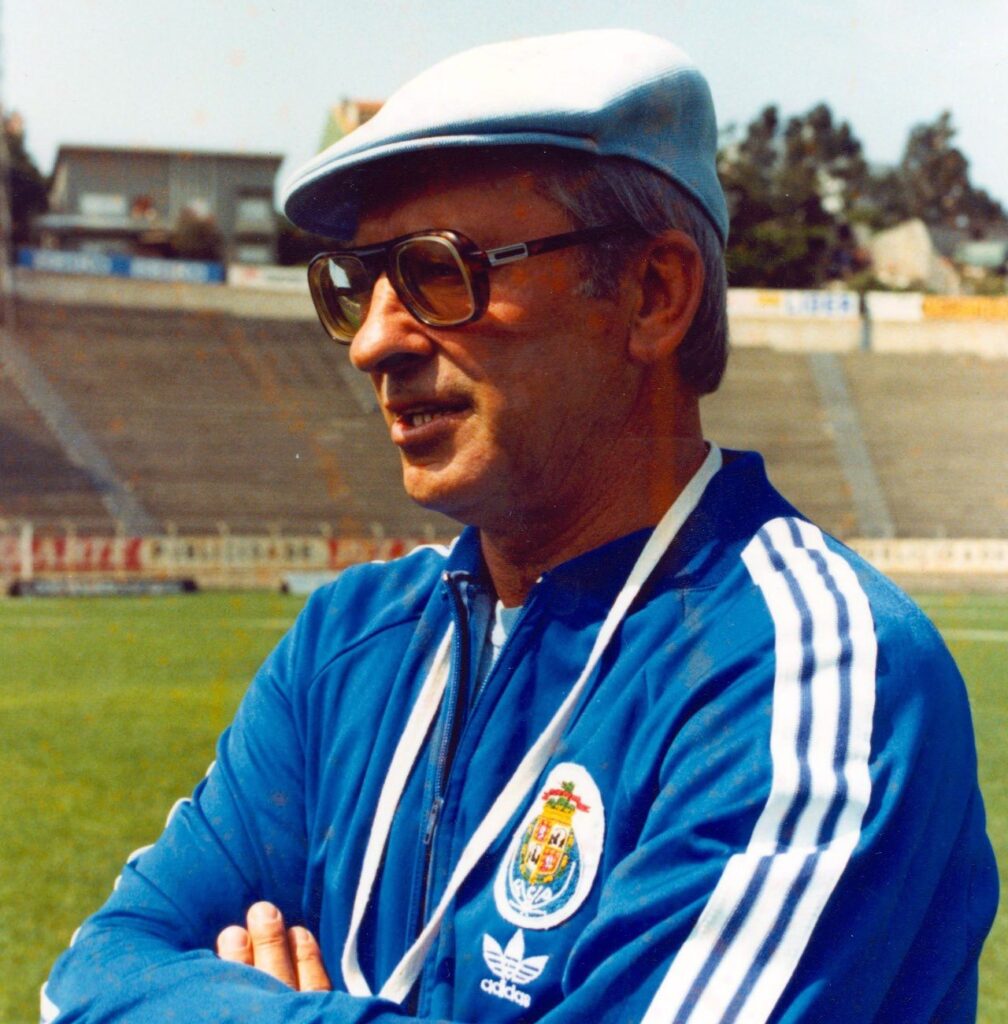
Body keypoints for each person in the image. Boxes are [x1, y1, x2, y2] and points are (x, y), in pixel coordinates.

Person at [44, 29, 997, 1024]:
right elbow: (84, 982)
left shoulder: (807, 676)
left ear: (653, 295)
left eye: (438, 271)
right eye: (357, 282)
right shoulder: (347, 644)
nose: (373, 340)